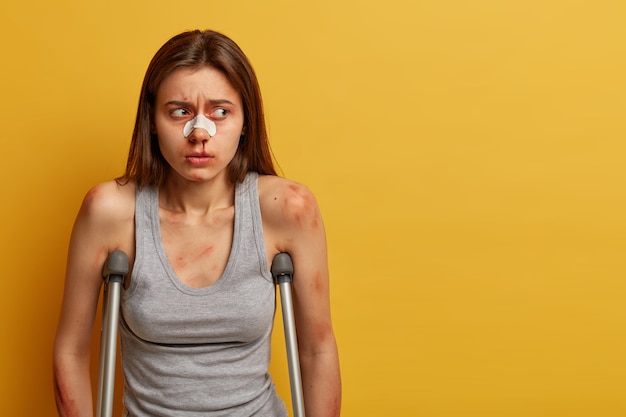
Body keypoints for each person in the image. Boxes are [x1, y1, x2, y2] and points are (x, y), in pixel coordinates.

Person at [53, 29, 341, 417]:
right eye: (180, 111)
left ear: (244, 123)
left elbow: (317, 349)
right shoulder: (109, 212)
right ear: (152, 120)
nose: (200, 133)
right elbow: (71, 351)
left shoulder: (287, 208)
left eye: (221, 111)